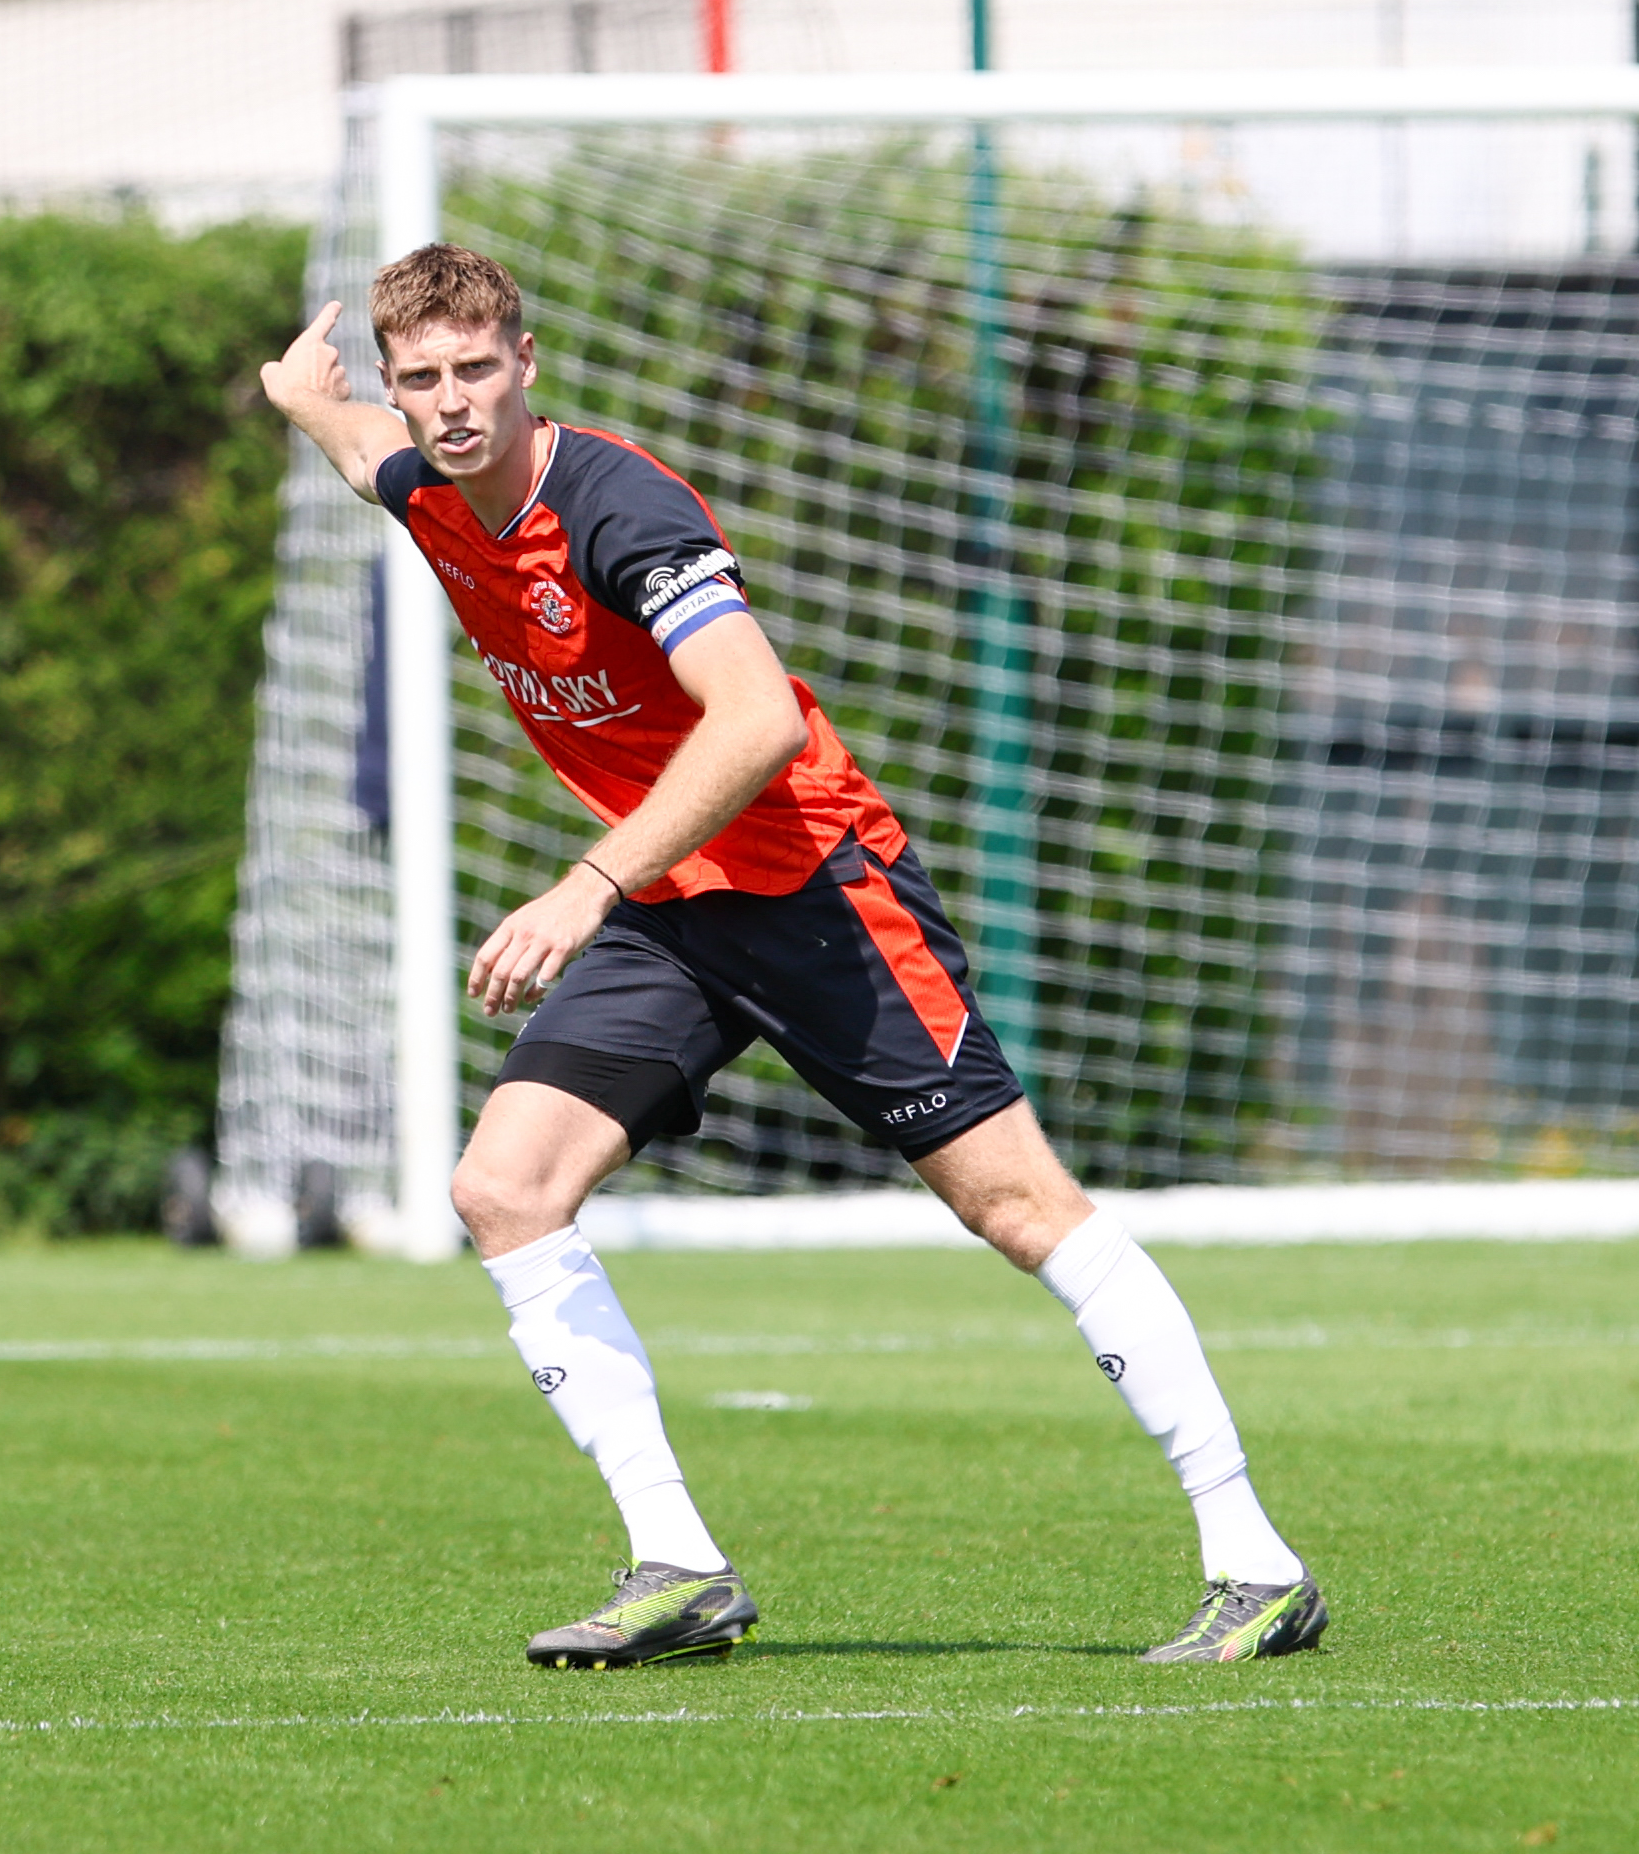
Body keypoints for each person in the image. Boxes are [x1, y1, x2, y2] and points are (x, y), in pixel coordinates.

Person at [259, 242, 1324, 1670]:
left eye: (473, 370)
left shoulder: (619, 507)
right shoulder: (426, 482)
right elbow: (360, 451)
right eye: (421, 380)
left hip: (811, 876)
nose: (449, 404)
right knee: (503, 1186)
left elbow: (753, 719)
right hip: (675, 905)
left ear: (528, 364)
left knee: (1014, 1205)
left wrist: (584, 885)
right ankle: (678, 1563)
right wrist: (303, 396)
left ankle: (1254, 1559)